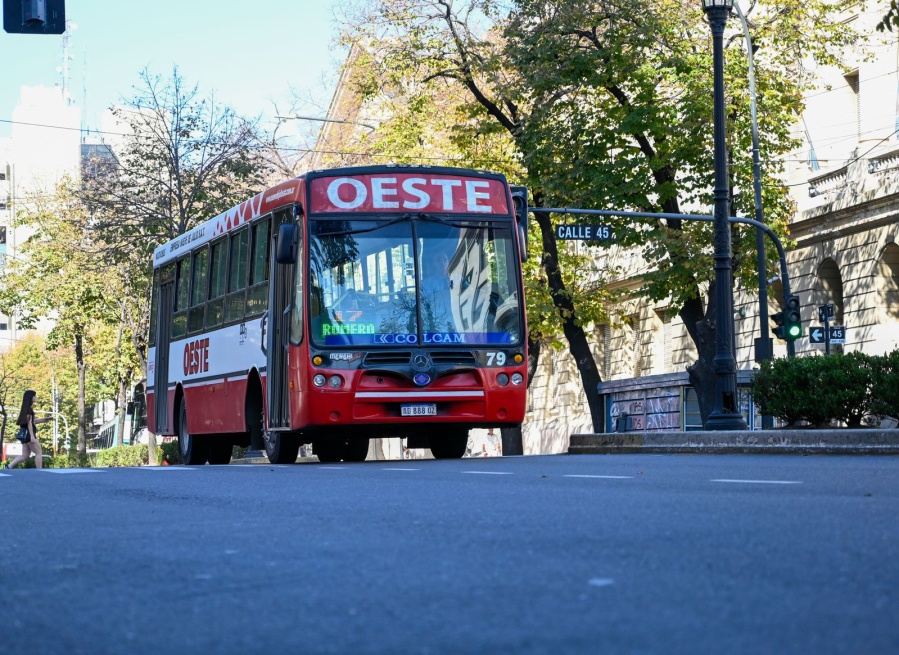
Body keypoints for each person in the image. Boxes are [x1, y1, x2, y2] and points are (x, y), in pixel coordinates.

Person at [4, 390, 50, 470]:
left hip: (24, 434)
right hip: (29, 434)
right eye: (34, 396)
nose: (36, 397)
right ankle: (40, 471)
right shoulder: (29, 410)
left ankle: (8, 467)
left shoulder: (25, 409)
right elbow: (29, 423)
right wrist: (32, 436)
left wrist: (45, 419)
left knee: (25, 455)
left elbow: (32, 422)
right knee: (38, 452)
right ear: (30, 398)